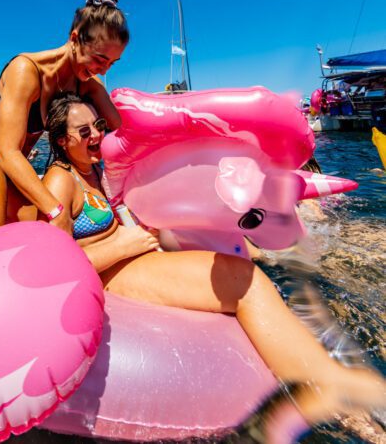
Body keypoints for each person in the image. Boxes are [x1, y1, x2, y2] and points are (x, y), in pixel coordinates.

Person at [40, 93, 385, 440]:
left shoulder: (96, 169)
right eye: (83, 132)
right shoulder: (60, 181)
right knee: (243, 282)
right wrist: (121, 245)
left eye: (98, 126)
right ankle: (335, 399)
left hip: (136, 256)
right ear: (60, 140)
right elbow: (55, 264)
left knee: (240, 271)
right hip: (111, 272)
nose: (96, 136)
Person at [0, 0, 128, 240]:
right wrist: (56, 211)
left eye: (112, 63)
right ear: (75, 39)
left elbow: (117, 125)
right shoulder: (26, 71)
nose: (104, 70)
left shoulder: (85, 81)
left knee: (33, 243)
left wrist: (95, 86)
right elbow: (7, 151)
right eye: (100, 59)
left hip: (20, 165)